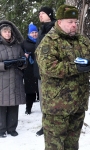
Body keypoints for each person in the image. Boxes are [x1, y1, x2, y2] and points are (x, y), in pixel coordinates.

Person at [35, 4, 90, 149]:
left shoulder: (82, 40)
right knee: (55, 146)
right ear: (59, 22)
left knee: (72, 145)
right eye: (70, 22)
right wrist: (77, 67)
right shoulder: (50, 41)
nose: (74, 25)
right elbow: (49, 67)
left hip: (78, 104)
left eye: (75, 22)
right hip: (57, 107)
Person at [0, 20, 27, 138]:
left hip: (15, 80)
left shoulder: (17, 46)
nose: (7, 33)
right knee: (1, 106)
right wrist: (3, 65)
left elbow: (24, 63)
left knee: (13, 105)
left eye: (9, 31)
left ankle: (12, 128)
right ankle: (1, 129)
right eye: (5, 31)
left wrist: (21, 63)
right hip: (1, 81)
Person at [34, 6, 56, 136]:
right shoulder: (41, 30)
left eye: (42, 13)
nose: (40, 15)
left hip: (52, 73)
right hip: (40, 73)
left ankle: (54, 126)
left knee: (53, 102)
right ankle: (45, 125)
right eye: (39, 13)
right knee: (43, 103)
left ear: (50, 14)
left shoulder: (55, 28)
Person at [21, 23, 39, 115]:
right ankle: (28, 108)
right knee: (30, 90)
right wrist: (24, 56)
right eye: (32, 32)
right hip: (29, 69)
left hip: (40, 68)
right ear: (29, 34)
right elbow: (20, 54)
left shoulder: (41, 41)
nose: (34, 34)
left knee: (40, 88)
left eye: (36, 32)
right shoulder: (24, 43)